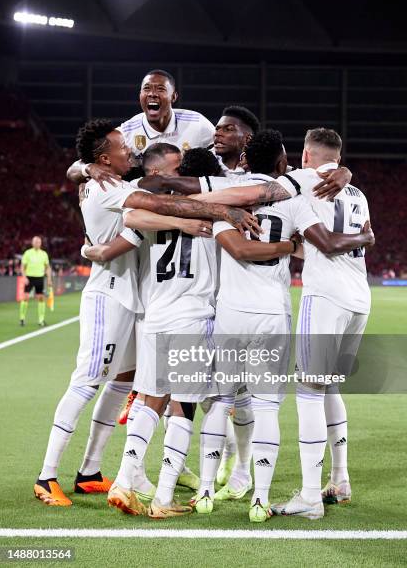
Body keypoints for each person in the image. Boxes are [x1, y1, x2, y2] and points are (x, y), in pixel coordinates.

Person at [34, 119, 258, 509]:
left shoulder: (122, 183)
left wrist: (83, 169)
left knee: (125, 384)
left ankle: (93, 470)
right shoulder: (107, 186)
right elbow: (140, 212)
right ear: (105, 158)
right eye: (123, 148)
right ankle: (46, 475)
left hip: (144, 305)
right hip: (110, 297)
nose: (131, 152)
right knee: (89, 381)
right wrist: (209, 212)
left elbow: (138, 206)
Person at [192, 129, 374, 521]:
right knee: (326, 386)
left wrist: (207, 201)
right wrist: (366, 233)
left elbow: (309, 236)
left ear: (306, 155)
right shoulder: (357, 193)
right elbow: (352, 230)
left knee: (305, 389)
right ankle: (339, 478)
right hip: (359, 298)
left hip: (323, 298)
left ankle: (310, 495)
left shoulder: (295, 184)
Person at [65, 69, 215, 187]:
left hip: (190, 195)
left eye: (160, 89)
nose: (152, 94)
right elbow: (73, 169)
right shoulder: (126, 133)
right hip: (149, 203)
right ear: (140, 95)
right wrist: (89, 169)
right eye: (147, 89)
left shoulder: (197, 124)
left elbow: (223, 159)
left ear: (173, 96)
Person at [19, 236, 52, 327]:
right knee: (25, 297)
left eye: (38, 242)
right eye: (35, 241)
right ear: (32, 243)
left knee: (41, 298)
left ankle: (41, 320)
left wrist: (49, 279)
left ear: (41, 243)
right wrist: (24, 277)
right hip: (29, 278)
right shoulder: (27, 253)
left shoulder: (44, 254)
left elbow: (47, 267)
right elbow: (22, 267)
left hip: (39, 278)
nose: (37, 243)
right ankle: (22, 318)